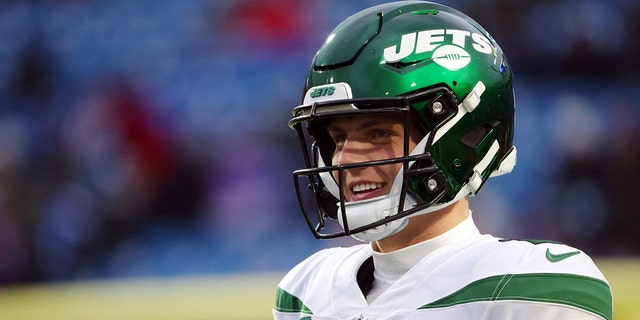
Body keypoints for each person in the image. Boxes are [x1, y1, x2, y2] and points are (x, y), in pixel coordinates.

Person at [274, 1, 613, 319]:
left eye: (378, 134)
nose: (345, 158)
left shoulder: (528, 283)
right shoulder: (306, 292)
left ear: (461, 138)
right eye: (339, 138)